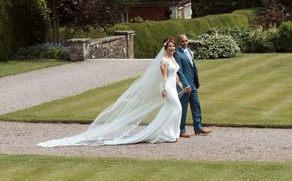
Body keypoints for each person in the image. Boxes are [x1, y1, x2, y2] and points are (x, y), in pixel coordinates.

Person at [38, 37, 183, 147]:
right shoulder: (163, 60)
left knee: (172, 109)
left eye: (173, 46)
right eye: (170, 46)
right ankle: (167, 133)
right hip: (167, 88)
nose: (172, 48)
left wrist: (181, 84)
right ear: (165, 48)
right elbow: (164, 75)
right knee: (177, 107)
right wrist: (164, 89)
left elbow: (174, 73)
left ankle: (170, 133)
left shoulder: (173, 59)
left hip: (173, 86)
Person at [174, 34, 211, 137]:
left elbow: (193, 67)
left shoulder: (189, 51)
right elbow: (179, 71)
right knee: (183, 108)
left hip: (193, 84)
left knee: (196, 106)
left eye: (186, 41)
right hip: (184, 86)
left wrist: (197, 82)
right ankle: (181, 130)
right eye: (182, 41)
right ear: (179, 42)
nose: (185, 43)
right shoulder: (177, 54)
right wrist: (186, 85)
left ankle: (198, 127)